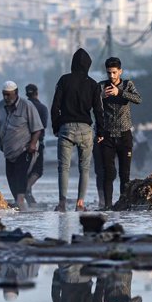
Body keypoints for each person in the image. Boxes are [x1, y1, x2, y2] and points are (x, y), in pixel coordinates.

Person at [51, 48, 104, 212]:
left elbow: (55, 107)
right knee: (85, 168)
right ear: (88, 65)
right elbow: (98, 110)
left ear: (72, 63)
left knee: (64, 167)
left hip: (66, 128)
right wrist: (100, 132)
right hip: (85, 130)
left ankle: (62, 203)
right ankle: (80, 204)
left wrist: (56, 127)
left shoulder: (64, 80)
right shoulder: (93, 84)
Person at [97, 57, 142, 210]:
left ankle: (124, 205)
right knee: (108, 173)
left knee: (125, 174)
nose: (111, 76)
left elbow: (138, 99)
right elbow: (90, 103)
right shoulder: (101, 86)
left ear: (120, 71)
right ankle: (107, 206)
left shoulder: (128, 84)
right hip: (107, 135)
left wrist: (120, 92)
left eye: (114, 73)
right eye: (109, 73)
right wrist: (100, 98)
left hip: (124, 135)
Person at [0, 80, 43, 211]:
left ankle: (22, 203)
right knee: (11, 178)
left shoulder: (27, 105)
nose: (6, 98)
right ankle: (22, 206)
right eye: (4, 94)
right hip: (9, 152)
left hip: (24, 149)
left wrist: (32, 144)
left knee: (21, 176)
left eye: (8, 95)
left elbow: (37, 128)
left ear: (15, 93)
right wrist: (0, 143)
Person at [24, 84, 48, 205]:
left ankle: (27, 195)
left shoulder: (22, 107)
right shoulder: (42, 108)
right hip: (37, 142)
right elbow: (43, 127)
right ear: (37, 92)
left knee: (25, 170)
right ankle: (27, 189)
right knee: (38, 170)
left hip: (22, 143)